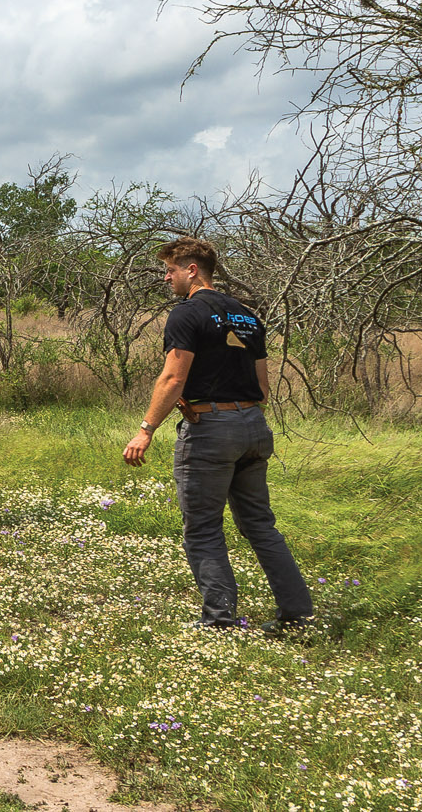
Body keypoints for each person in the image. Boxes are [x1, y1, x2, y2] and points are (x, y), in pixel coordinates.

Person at [124, 237, 314, 631]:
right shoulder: (247, 316)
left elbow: (173, 377)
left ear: (192, 270)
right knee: (260, 525)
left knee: (204, 526)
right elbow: (263, 389)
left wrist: (146, 430)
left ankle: (219, 618)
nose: (166, 277)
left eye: (170, 270)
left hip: (211, 429)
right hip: (253, 427)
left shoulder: (186, 314)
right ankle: (297, 613)